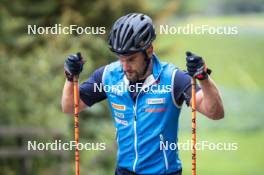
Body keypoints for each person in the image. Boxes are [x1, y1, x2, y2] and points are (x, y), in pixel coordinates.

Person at [61, 13, 224, 175]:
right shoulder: (108, 76)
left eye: (131, 59)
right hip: (123, 171)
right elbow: (69, 106)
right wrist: (70, 77)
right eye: (121, 58)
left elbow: (215, 112)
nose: (125, 66)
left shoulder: (173, 79)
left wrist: (203, 78)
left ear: (148, 51)